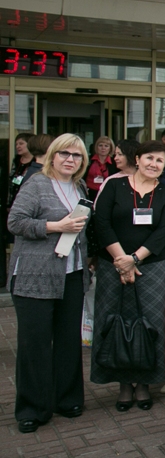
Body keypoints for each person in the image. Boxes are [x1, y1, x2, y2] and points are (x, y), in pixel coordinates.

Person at [8, 134, 90, 433]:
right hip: (35, 275)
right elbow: (15, 222)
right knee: (35, 343)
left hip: (71, 272)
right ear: (53, 156)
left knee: (69, 340)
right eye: (65, 154)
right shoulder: (37, 184)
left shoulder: (79, 186)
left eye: (77, 155)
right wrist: (55, 226)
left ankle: (67, 400)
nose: (70, 159)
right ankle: (31, 409)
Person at [92, 140, 165, 412]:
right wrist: (121, 260)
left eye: (160, 161)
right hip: (112, 265)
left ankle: (143, 384)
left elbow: (164, 231)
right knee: (113, 320)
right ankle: (123, 385)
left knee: (149, 324)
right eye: (149, 158)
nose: (154, 164)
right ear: (137, 159)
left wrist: (135, 259)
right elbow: (101, 223)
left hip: (150, 267)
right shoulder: (114, 186)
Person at [83, 136, 116, 201]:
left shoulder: (114, 163)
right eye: (100, 145)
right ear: (96, 147)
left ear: (110, 148)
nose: (103, 148)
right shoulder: (88, 160)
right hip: (89, 193)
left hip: (107, 193)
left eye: (106, 146)